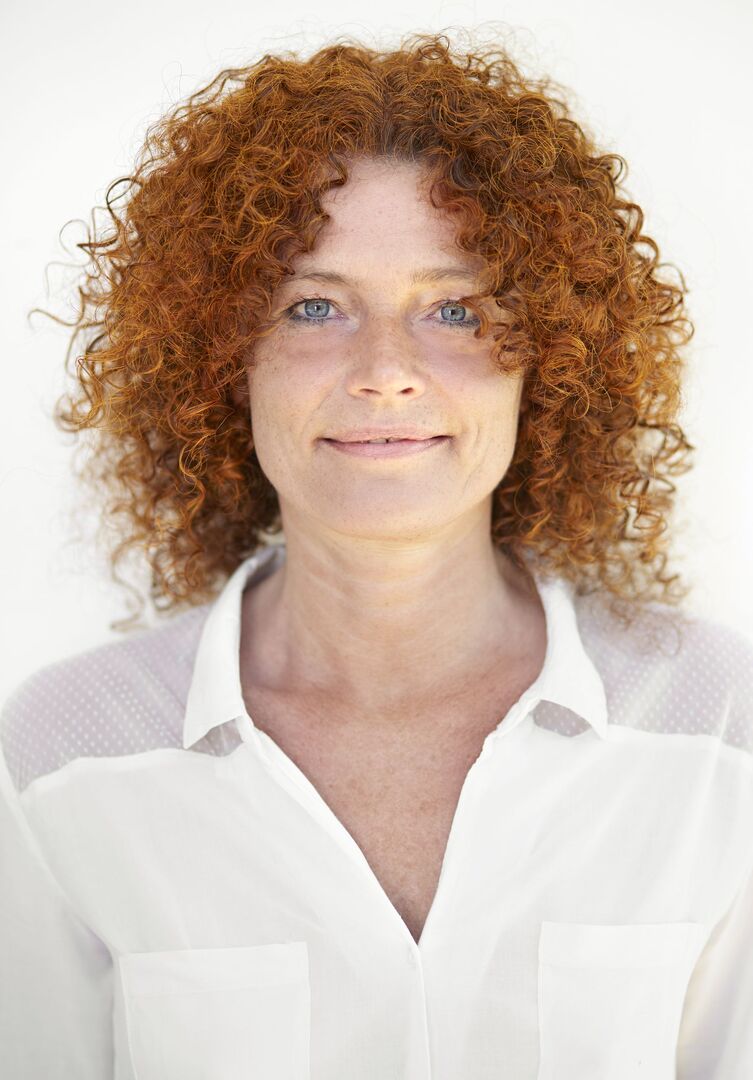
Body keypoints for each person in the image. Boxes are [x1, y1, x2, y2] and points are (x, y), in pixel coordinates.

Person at [1, 28, 752, 1080]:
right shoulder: (62, 758)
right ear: (221, 357)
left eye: (455, 309)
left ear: (549, 355)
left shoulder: (718, 728)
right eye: (314, 306)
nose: (386, 370)